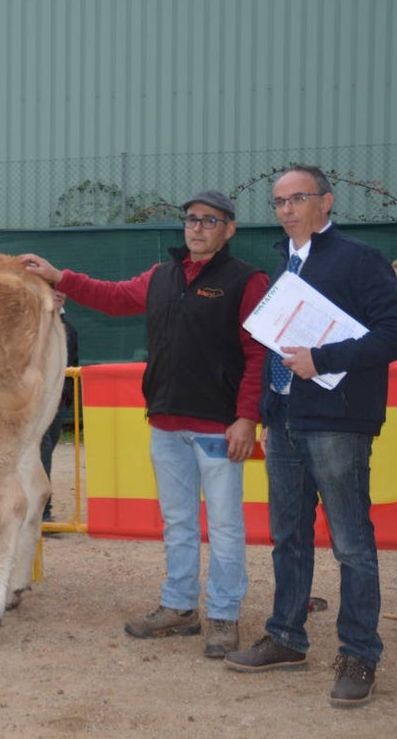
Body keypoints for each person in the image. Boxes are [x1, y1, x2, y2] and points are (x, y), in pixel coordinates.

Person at [20, 190, 268, 659]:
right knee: (177, 521)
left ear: (229, 229)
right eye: (191, 219)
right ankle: (178, 607)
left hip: (219, 427)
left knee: (226, 525)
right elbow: (112, 298)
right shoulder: (162, 276)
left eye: (209, 221)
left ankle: (223, 616)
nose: (197, 228)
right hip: (166, 422)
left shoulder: (247, 281)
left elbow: (259, 354)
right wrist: (59, 276)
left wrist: (247, 417)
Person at [225, 165, 397, 708]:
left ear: (327, 201)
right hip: (286, 419)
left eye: (297, 198)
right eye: (278, 201)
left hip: (338, 420)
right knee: (289, 537)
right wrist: (267, 408)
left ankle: (358, 653)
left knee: (351, 544)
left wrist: (322, 358)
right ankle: (286, 636)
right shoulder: (284, 262)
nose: (286, 209)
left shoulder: (361, 260)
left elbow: (392, 331)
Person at [39, 290, 79, 525]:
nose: (57, 296)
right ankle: (42, 512)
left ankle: (38, 509)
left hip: (57, 403)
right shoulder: (30, 326)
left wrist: (66, 400)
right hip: (35, 403)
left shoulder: (68, 328)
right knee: (41, 450)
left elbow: (72, 364)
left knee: (46, 449)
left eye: (60, 292)